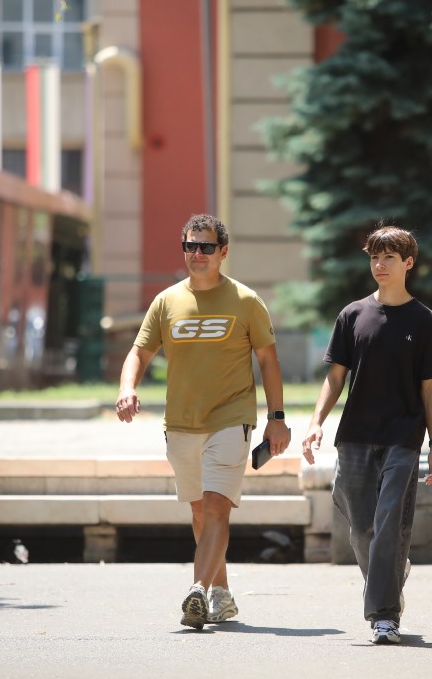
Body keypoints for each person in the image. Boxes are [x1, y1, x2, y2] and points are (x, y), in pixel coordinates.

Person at [115, 214, 291, 631]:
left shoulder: (246, 301)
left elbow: (268, 361)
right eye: (190, 246)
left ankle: (197, 590)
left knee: (216, 508)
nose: (197, 254)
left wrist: (277, 419)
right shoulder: (167, 301)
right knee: (200, 513)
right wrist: (127, 387)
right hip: (180, 423)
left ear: (223, 252)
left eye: (206, 247)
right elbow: (139, 352)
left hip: (231, 419)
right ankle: (223, 595)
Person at [302, 225, 432, 646]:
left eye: (388, 257)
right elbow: (334, 378)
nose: (379, 264)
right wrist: (316, 423)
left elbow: (430, 388)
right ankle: (390, 581)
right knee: (361, 530)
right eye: (374, 257)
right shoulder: (352, 315)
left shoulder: (423, 321)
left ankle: (384, 615)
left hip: (404, 436)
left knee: (389, 524)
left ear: (408, 263)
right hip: (355, 436)